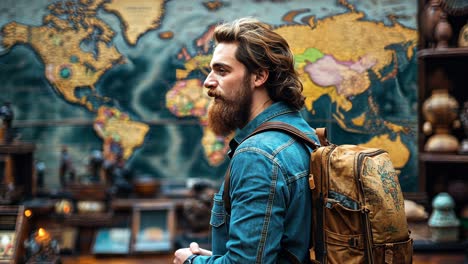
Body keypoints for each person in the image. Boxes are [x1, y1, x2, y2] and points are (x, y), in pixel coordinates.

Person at [174, 17, 319, 264]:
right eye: (211, 70)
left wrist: (189, 261)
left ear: (259, 76)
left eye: (222, 70)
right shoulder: (304, 135)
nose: (208, 82)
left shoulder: (258, 156)